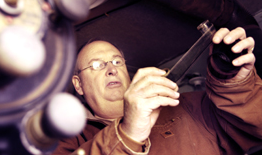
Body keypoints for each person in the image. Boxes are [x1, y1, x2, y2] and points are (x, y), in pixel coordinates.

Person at [52, 27, 262, 155]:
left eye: (117, 61)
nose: (111, 70)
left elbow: (254, 129)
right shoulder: (64, 140)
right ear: (78, 84)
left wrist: (234, 84)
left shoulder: (186, 106)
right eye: (97, 65)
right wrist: (127, 134)